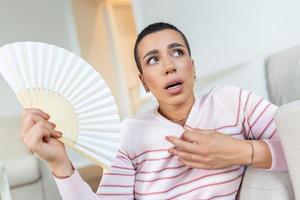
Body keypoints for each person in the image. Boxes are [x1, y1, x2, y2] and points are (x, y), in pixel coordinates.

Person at [20, 22, 288, 199]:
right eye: (153, 60)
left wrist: (239, 151)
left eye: (178, 53)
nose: (169, 66)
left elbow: (296, 147)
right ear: (144, 82)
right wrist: (59, 164)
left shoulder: (233, 102)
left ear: (193, 67)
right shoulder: (129, 133)